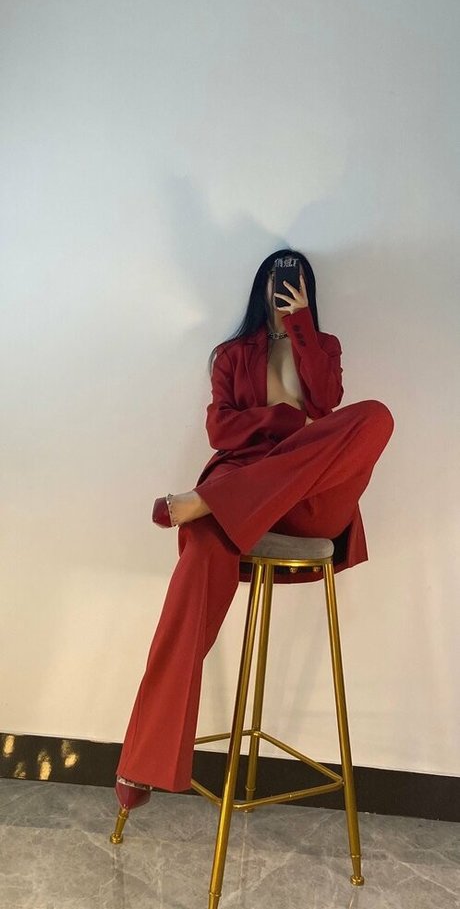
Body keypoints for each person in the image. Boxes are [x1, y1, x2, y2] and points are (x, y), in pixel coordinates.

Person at [110, 249, 394, 842]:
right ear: (261, 284)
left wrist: (302, 327)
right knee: (192, 585)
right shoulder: (231, 355)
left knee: (376, 416)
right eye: (277, 276)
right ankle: (142, 759)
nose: (285, 285)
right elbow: (221, 429)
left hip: (309, 500)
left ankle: (211, 499)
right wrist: (290, 425)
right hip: (244, 490)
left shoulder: (323, 345)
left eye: (297, 277)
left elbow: (327, 405)